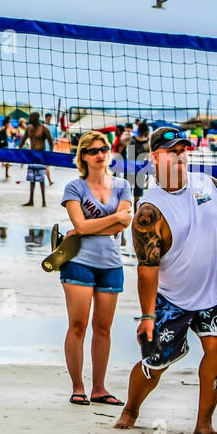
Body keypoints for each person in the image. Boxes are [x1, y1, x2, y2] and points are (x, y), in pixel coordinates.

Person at [114, 126, 217, 434]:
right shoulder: (149, 211)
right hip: (172, 297)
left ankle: (204, 423)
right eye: (172, 151)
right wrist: (148, 316)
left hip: (214, 294)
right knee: (156, 365)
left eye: (183, 150)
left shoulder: (210, 185)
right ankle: (130, 409)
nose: (180, 156)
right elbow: (147, 268)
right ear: (155, 157)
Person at [59, 132, 132, 406]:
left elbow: (122, 226)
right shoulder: (74, 188)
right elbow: (81, 226)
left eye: (103, 149)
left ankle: (99, 388)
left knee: (103, 329)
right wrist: (112, 220)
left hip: (111, 263)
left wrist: (93, 226)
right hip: (78, 260)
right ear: (83, 157)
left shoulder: (123, 185)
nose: (100, 154)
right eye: (92, 151)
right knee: (77, 326)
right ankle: (78, 387)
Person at [18, 113, 55, 206]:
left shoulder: (43, 128)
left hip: (41, 157)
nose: (29, 119)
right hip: (31, 156)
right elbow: (23, 140)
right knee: (32, 180)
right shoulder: (29, 128)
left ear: (36, 118)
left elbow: (51, 142)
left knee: (41, 180)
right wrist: (18, 152)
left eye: (31, 117)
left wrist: (50, 155)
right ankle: (31, 201)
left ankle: (43, 201)